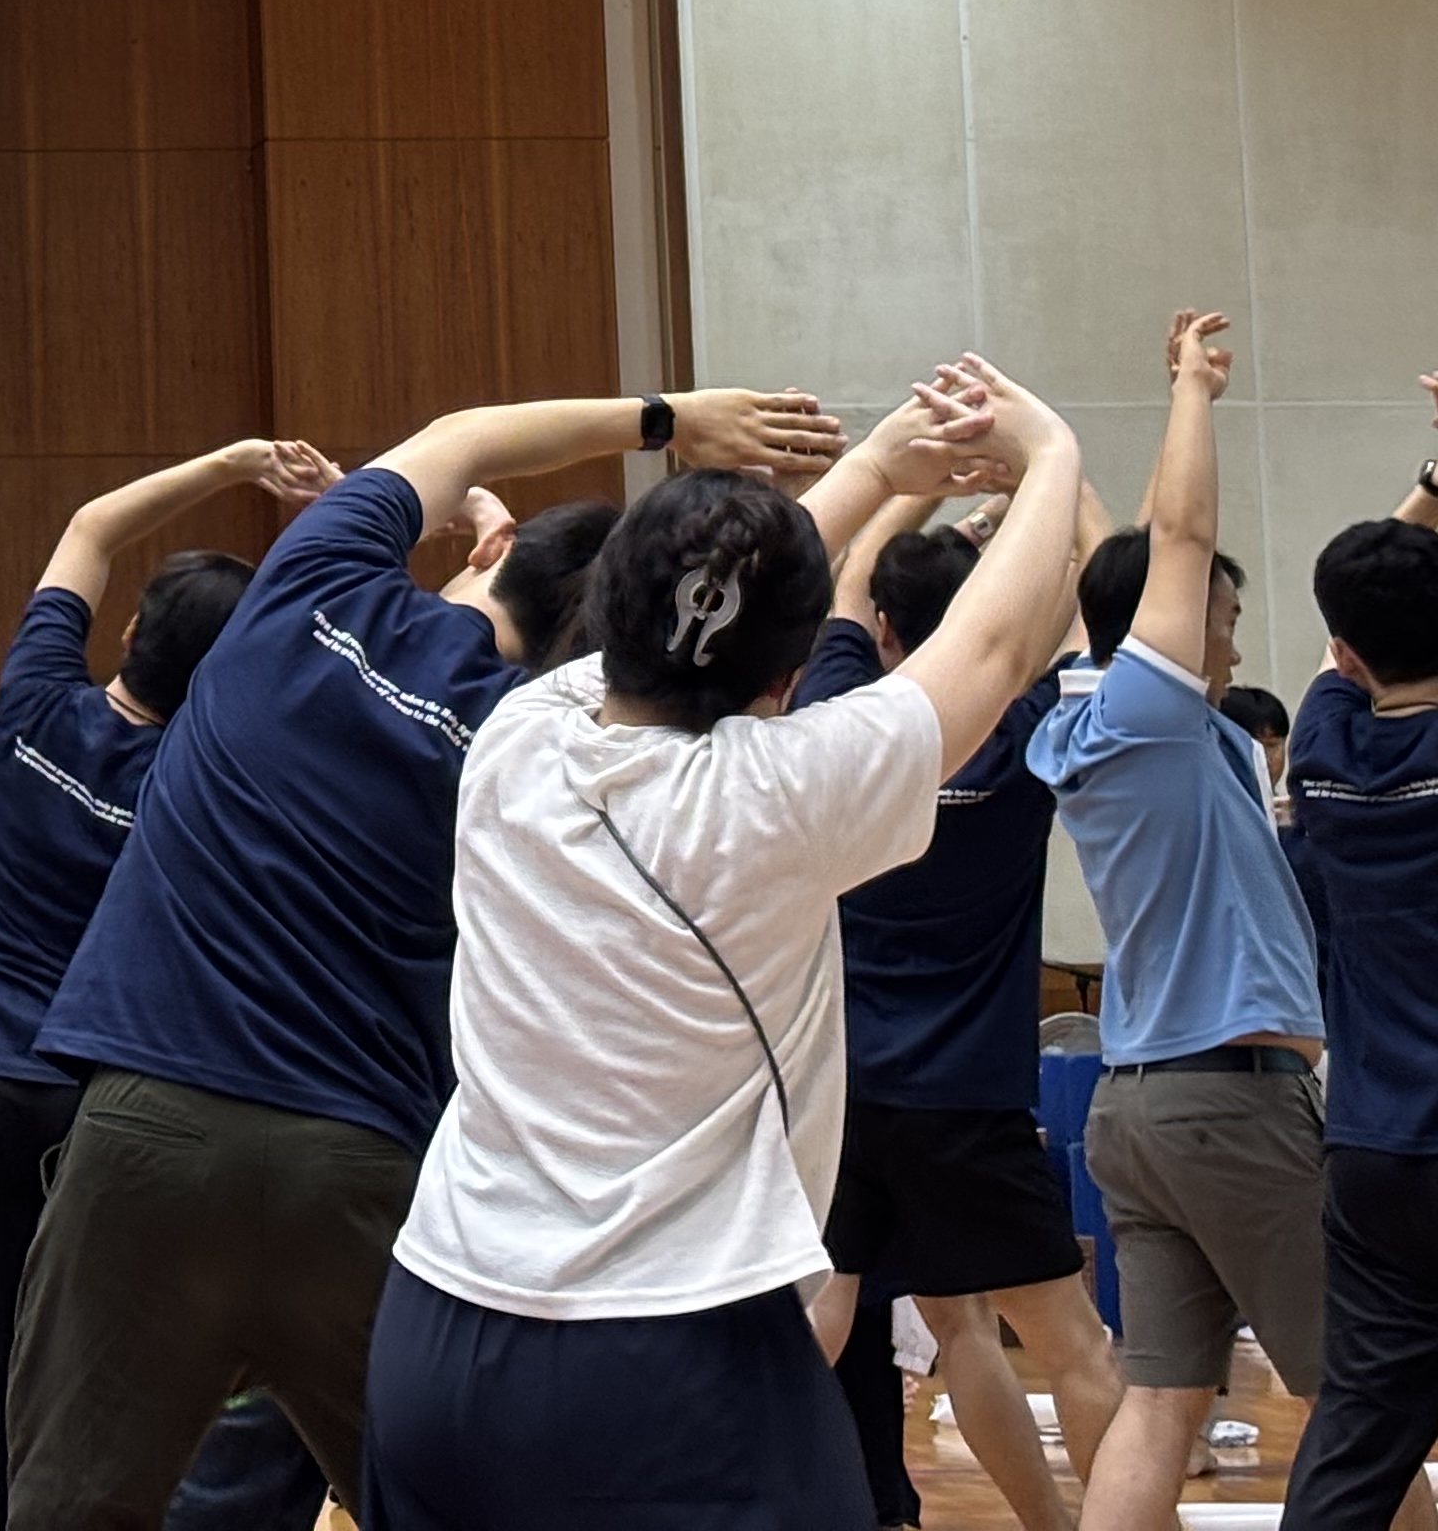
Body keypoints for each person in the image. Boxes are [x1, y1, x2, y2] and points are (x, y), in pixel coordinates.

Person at [5, 382, 839, 1530]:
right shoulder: (538, 752)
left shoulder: (307, 587)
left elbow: (460, 438)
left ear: (490, 556)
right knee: (451, 1509)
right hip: (364, 1173)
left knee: (65, 1513)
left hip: (146, 1134)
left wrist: (667, 418)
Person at [359, 361, 1091, 1526]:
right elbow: (997, 651)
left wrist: (873, 471)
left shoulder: (520, 735)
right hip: (673, 1354)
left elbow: (677, 618)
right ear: (793, 674)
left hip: (437, 1326)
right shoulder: (787, 791)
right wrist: (1049, 453)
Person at [1031, 316, 1424, 1531]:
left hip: (1135, 1109)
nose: (1234, 635)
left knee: (1161, 1403)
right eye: (1223, 613)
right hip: (1229, 1104)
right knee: (1365, 1400)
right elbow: (1179, 542)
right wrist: (1193, 390)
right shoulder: (1152, 718)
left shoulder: (1100, 715)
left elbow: (1152, 554)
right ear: (1170, 618)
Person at [0, 446, 339, 1531]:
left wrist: (233, 463)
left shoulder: (31, 703)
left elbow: (91, 528)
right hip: (105, 1105)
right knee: (98, 1382)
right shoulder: (200, 787)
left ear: (126, 633)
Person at [801, 493, 1127, 1531]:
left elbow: (848, 584)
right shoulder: (1024, 736)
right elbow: (1082, 631)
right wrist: (1048, 495)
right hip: (966, 1104)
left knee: (846, 1326)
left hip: (838, 1098)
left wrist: (917, 474)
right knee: (1071, 1344)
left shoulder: (838, 722)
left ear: (886, 631)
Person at [1279, 457, 1438, 1531]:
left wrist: (1427, 487)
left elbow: (1348, 625)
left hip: (1375, 1150)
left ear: (1345, 655)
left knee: (1359, 1429)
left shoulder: (1325, 752)